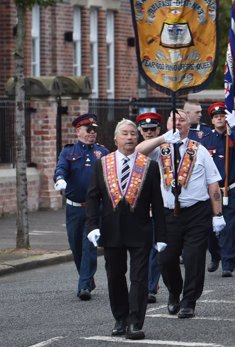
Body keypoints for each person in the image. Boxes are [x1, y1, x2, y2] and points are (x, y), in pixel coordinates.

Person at [135, 109, 226, 319]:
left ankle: (189, 301)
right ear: (167, 124)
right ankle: (174, 291)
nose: (177, 123)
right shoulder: (161, 147)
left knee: (194, 259)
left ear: (188, 125)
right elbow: (138, 152)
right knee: (166, 259)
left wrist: (218, 214)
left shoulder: (200, 150)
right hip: (168, 214)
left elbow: (213, 184)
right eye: (173, 120)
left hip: (197, 212)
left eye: (182, 120)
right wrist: (161, 139)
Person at [85, 119, 167, 340]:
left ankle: (135, 322)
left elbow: (157, 202)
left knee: (139, 278)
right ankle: (120, 318)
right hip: (111, 230)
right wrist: (92, 226)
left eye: (133, 133)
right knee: (115, 276)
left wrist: (161, 235)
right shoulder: (102, 164)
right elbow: (93, 197)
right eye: (125, 134)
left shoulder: (148, 165)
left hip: (140, 230)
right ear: (115, 139)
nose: (130, 137)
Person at [53, 113, 109, 301]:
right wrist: (60, 179)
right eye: (88, 129)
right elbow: (61, 168)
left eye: (95, 130)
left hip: (95, 207)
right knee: (76, 246)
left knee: (88, 246)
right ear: (78, 131)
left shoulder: (103, 152)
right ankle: (87, 278)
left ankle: (84, 285)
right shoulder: (68, 152)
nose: (93, 133)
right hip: (74, 208)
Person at [202, 103, 235, 277]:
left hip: (230, 188)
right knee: (210, 229)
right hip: (212, 189)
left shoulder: (233, 138)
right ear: (211, 120)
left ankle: (227, 263)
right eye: (216, 116)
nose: (219, 118)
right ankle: (216, 254)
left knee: (229, 227)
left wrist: (234, 129)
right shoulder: (205, 140)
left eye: (222, 116)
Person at [135, 112, 164, 304]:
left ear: (158, 129)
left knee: (156, 249)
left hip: (160, 204)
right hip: (138, 206)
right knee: (140, 249)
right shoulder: (135, 147)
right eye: (145, 129)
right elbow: (140, 150)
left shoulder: (166, 147)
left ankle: (150, 287)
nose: (149, 132)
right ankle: (140, 284)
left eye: (152, 129)